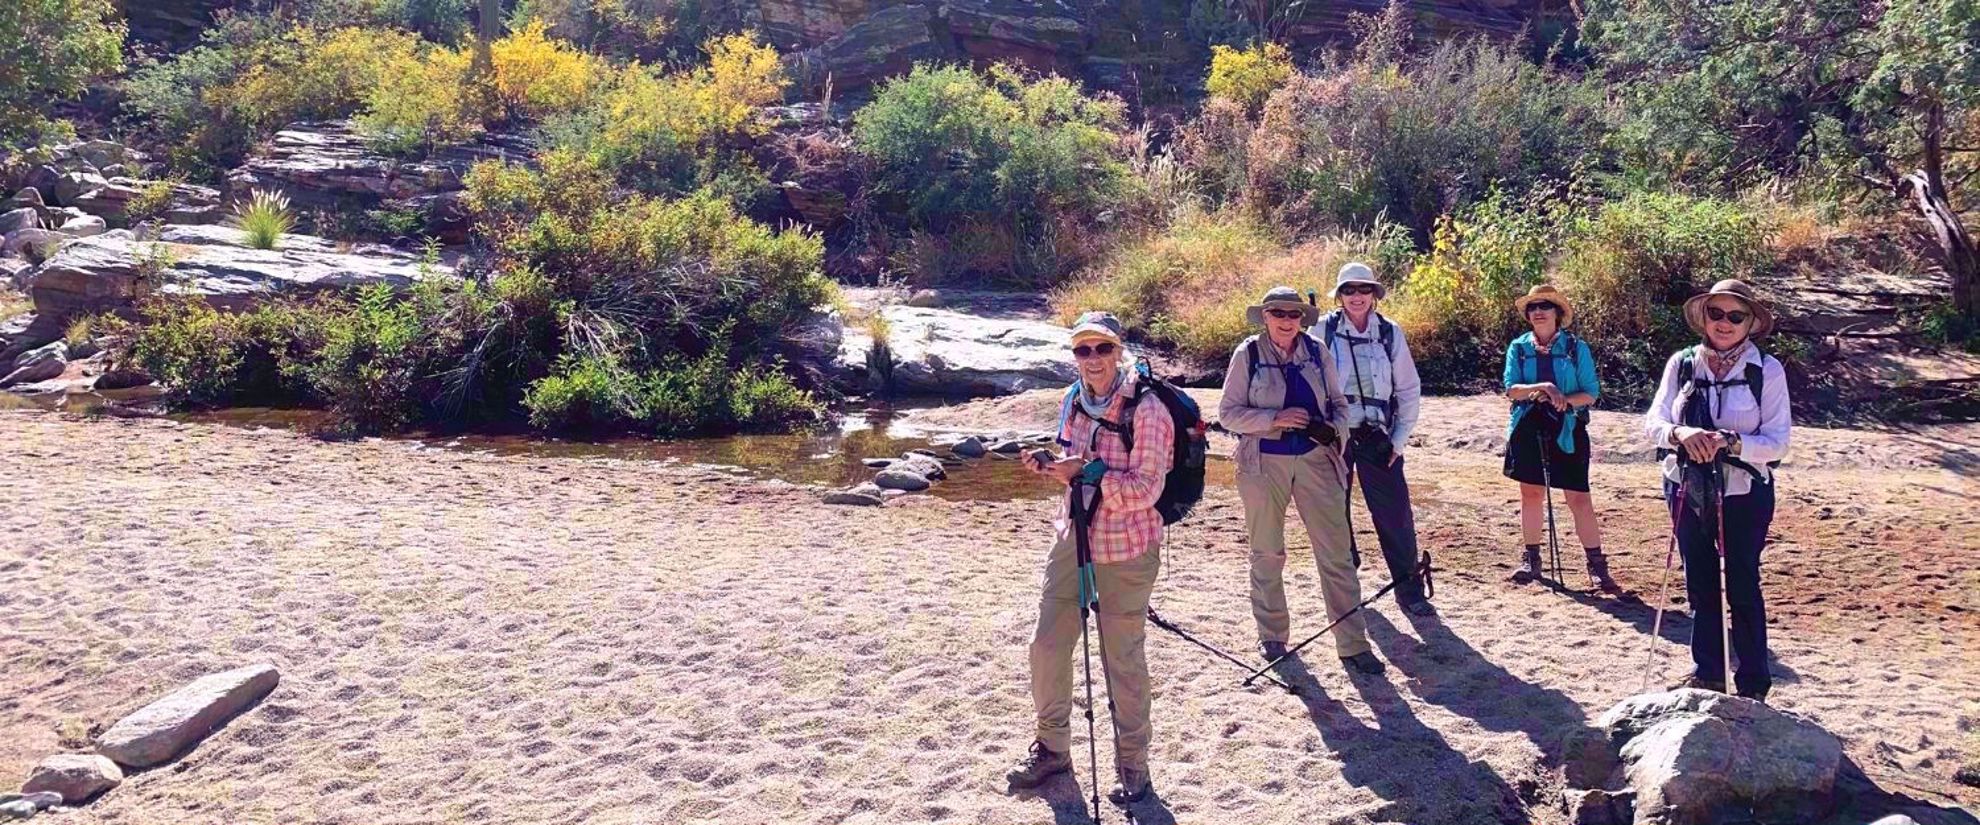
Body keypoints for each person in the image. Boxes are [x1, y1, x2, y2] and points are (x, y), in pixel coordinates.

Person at [1007, 311, 1173, 805]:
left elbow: (1147, 488)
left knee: (1121, 659)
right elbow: (1070, 462)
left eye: (1102, 348)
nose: (1093, 359)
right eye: (1083, 350)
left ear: (1118, 350)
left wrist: (1090, 475)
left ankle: (1133, 766)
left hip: (1127, 547)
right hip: (1072, 537)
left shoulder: (1148, 410)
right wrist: (1050, 467)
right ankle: (1053, 749)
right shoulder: (1071, 400)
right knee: (1047, 646)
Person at [1218, 286, 1387, 676]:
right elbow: (1228, 414)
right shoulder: (1248, 354)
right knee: (1267, 553)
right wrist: (1273, 420)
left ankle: (1353, 644)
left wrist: (1330, 431)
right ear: (1265, 317)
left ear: (1301, 318)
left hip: (1316, 462)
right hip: (1263, 465)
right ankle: (1272, 636)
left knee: (1336, 554)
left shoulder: (1317, 352)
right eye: (1278, 313)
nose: (1286, 320)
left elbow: (1341, 407)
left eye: (1293, 314)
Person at [1642, 279, 1791, 701]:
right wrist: (1681, 432)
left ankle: (1753, 685)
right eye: (1716, 313)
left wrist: (1731, 441)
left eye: (1735, 316)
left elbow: (1778, 441)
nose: (1724, 324)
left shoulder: (1767, 371)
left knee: (1743, 582)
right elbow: (1652, 422)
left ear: (1750, 322)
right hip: (1685, 486)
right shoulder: (1682, 364)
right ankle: (1707, 671)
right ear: (1704, 317)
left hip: (1744, 491)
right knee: (1699, 580)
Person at [1317, 263, 1432, 617]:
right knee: (1334, 514)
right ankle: (1345, 584)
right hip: (1334, 437)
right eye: (1349, 290)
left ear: (1374, 295)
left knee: (1395, 514)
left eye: (1363, 290)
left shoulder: (1390, 333)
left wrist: (1398, 440)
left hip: (1379, 436)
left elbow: (1409, 389)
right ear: (1339, 295)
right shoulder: (1322, 329)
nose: (1356, 297)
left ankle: (1409, 590)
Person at [1500, 284, 1623, 595]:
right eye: (1533, 307)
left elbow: (1590, 393)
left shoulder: (1575, 348)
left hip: (1567, 427)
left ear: (1557, 313)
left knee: (1578, 498)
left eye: (1545, 305)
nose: (1538, 311)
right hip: (1527, 427)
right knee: (1530, 494)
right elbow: (1511, 389)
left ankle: (1597, 567)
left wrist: (1562, 400)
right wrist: (1544, 388)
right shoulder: (1518, 347)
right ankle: (1532, 560)